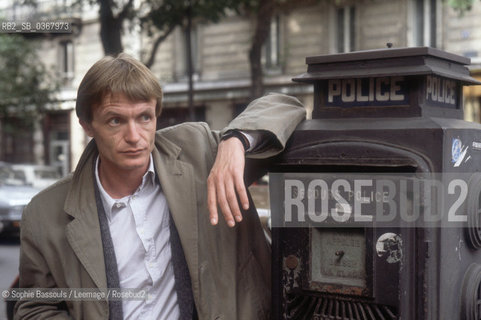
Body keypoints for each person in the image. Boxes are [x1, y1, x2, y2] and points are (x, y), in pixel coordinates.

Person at [15, 53, 305, 319]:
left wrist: (235, 142)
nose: (134, 135)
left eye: (144, 117)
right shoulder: (44, 213)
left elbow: (286, 106)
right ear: (88, 126)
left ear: (156, 116)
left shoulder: (199, 152)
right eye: (115, 120)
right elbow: (35, 307)